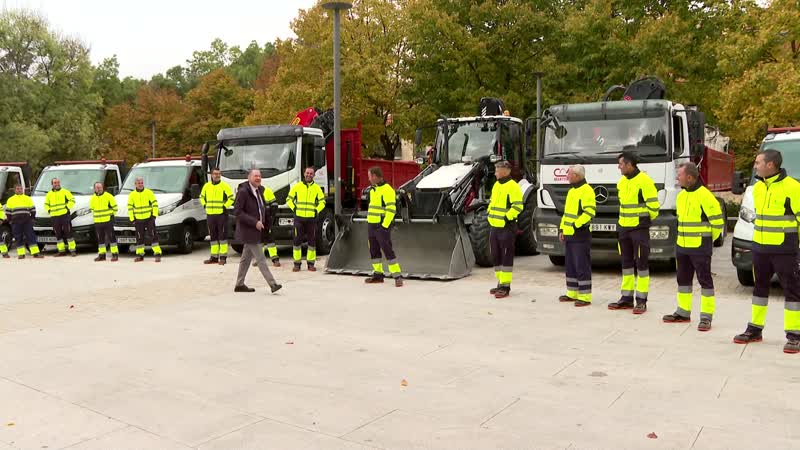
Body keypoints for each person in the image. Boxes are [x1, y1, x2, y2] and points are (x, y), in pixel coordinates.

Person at [733, 149, 800, 354]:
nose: (755, 166)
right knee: (759, 288)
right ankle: (755, 329)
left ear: (770, 165)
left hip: (784, 249)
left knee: (792, 291)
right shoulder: (758, 188)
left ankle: (794, 335)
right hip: (760, 248)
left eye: (758, 162)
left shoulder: (793, 188)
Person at [662, 162, 724, 331]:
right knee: (683, 281)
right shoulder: (681, 196)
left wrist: (707, 243)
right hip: (682, 247)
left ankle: (706, 317)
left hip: (700, 248)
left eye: (680, 175)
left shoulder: (705, 195)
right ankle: (683, 312)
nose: (677, 178)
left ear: (689, 177)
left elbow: (718, 223)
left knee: (705, 281)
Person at [608, 151, 660, 314]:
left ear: (630, 164)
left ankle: (641, 301)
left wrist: (642, 222)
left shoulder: (645, 181)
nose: (619, 167)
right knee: (626, 265)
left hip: (639, 230)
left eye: (621, 164)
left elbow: (654, 207)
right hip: (624, 229)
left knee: (642, 266)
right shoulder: (622, 182)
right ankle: (626, 298)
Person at [234, 169, 282, 294]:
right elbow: (238, 212)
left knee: (245, 259)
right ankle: (273, 284)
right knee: (261, 259)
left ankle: (239, 284)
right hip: (248, 230)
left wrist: (265, 222)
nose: (258, 178)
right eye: (255, 176)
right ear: (249, 177)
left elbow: (261, 209)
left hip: (258, 229)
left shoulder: (260, 190)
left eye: (260, 176)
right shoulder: (243, 192)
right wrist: (254, 222)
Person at [558, 165, 596, 307]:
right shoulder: (572, 191)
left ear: (577, 176)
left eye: (569, 174)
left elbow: (589, 213)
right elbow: (566, 214)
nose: (567, 176)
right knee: (571, 265)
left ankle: (585, 296)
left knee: (582, 265)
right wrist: (562, 229)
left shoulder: (587, 191)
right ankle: (572, 293)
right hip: (569, 234)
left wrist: (576, 225)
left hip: (580, 234)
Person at [487, 160, 523, 299]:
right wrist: (490, 215)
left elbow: (518, 206)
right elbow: (492, 203)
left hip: (506, 227)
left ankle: (505, 286)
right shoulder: (497, 185)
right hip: (494, 226)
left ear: (504, 171)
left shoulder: (513, 186)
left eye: (497, 170)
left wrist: (506, 218)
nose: (495, 172)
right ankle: (500, 282)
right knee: (496, 255)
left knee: (506, 256)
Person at [363, 166, 403, 286]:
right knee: (373, 251)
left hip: (381, 226)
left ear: (375, 176)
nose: (369, 178)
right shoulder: (372, 190)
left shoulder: (387, 190)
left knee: (388, 250)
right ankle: (378, 275)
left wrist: (384, 226)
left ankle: (397, 276)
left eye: (370, 176)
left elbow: (391, 209)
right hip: (371, 225)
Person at [286, 166, 325, 272]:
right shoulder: (297, 186)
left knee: (312, 241)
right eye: (307, 173)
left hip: (311, 219)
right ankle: (297, 264)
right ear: (304, 174)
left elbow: (322, 202)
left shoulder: (317, 188)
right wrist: (294, 208)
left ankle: (311, 264)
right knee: (297, 241)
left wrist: (317, 210)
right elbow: (289, 199)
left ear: (314, 175)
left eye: (311, 173)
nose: (309, 175)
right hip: (299, 218)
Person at [200, 168, 234, 265]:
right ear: (211, 175)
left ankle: (223, 257)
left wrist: (225, 206)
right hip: (210, 214)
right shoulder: (206, 186)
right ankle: (214, 257)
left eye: (219, 174)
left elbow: (231, 197)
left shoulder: (224, 186)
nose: (217, 175)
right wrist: (204, 205)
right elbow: (202, 197)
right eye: (215, 174)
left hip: (221, 214)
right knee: (213, 237)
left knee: (222, 236)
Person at [128, 177, 161, 263]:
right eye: (139, 183)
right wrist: (132, 219)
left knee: (153, 235)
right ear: (135, 184)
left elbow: (155, 204)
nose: (140, 184)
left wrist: (154, 215)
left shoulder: (149, 192)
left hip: (149, 218)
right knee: (139, 238)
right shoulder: (132, 195)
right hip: (138, 220)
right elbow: (130, 208)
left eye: (142, 183)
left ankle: (157, 254)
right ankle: (140, 255)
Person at [4, 184, 42, 259]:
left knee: (31, 237)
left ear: (22, 190)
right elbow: (8, 212)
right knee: (18, 238)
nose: (19, 190)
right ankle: (21, 254)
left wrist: (32, 218)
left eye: (20, 189)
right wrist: (10, 221)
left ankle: (35, 253)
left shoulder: (27, 198)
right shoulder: (10, 200)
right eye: (17, 189)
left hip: (27, 221)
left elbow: (33, 209)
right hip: (16, 222)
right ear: (15, 190)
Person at [45, 177, 76, 257]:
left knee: (68, 233)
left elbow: (72, 200)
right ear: (52, 184)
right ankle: (61, 251)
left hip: (64, 215)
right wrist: (49, 210)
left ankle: (72, 250)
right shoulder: (49, 194)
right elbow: (46, 204)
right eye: (55, 183)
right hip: (54, 217)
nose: (57, 184)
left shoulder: (65, 192)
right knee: (58, 235)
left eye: (58, 182)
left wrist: (67, 207)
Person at [89, 182, 119, 262]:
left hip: (107, 221)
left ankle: (115, 254)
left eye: (100, 187)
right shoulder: (93, 198)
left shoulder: (108, 196)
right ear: (94, 189)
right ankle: (102, 255)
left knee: (111, 238)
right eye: (97, 188)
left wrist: (110, 216)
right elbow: (91, 209)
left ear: (103, 188)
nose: (98, 189)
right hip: (98, 222)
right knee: (100, 240)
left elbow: (115, 208)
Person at [255, 186, 281, 267]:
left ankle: (275, 259)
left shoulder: (267, 191)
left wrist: (271, 217)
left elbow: (274, 205)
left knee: (270, 240)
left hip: (267, 220)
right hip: (257, 221)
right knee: (259, 240)